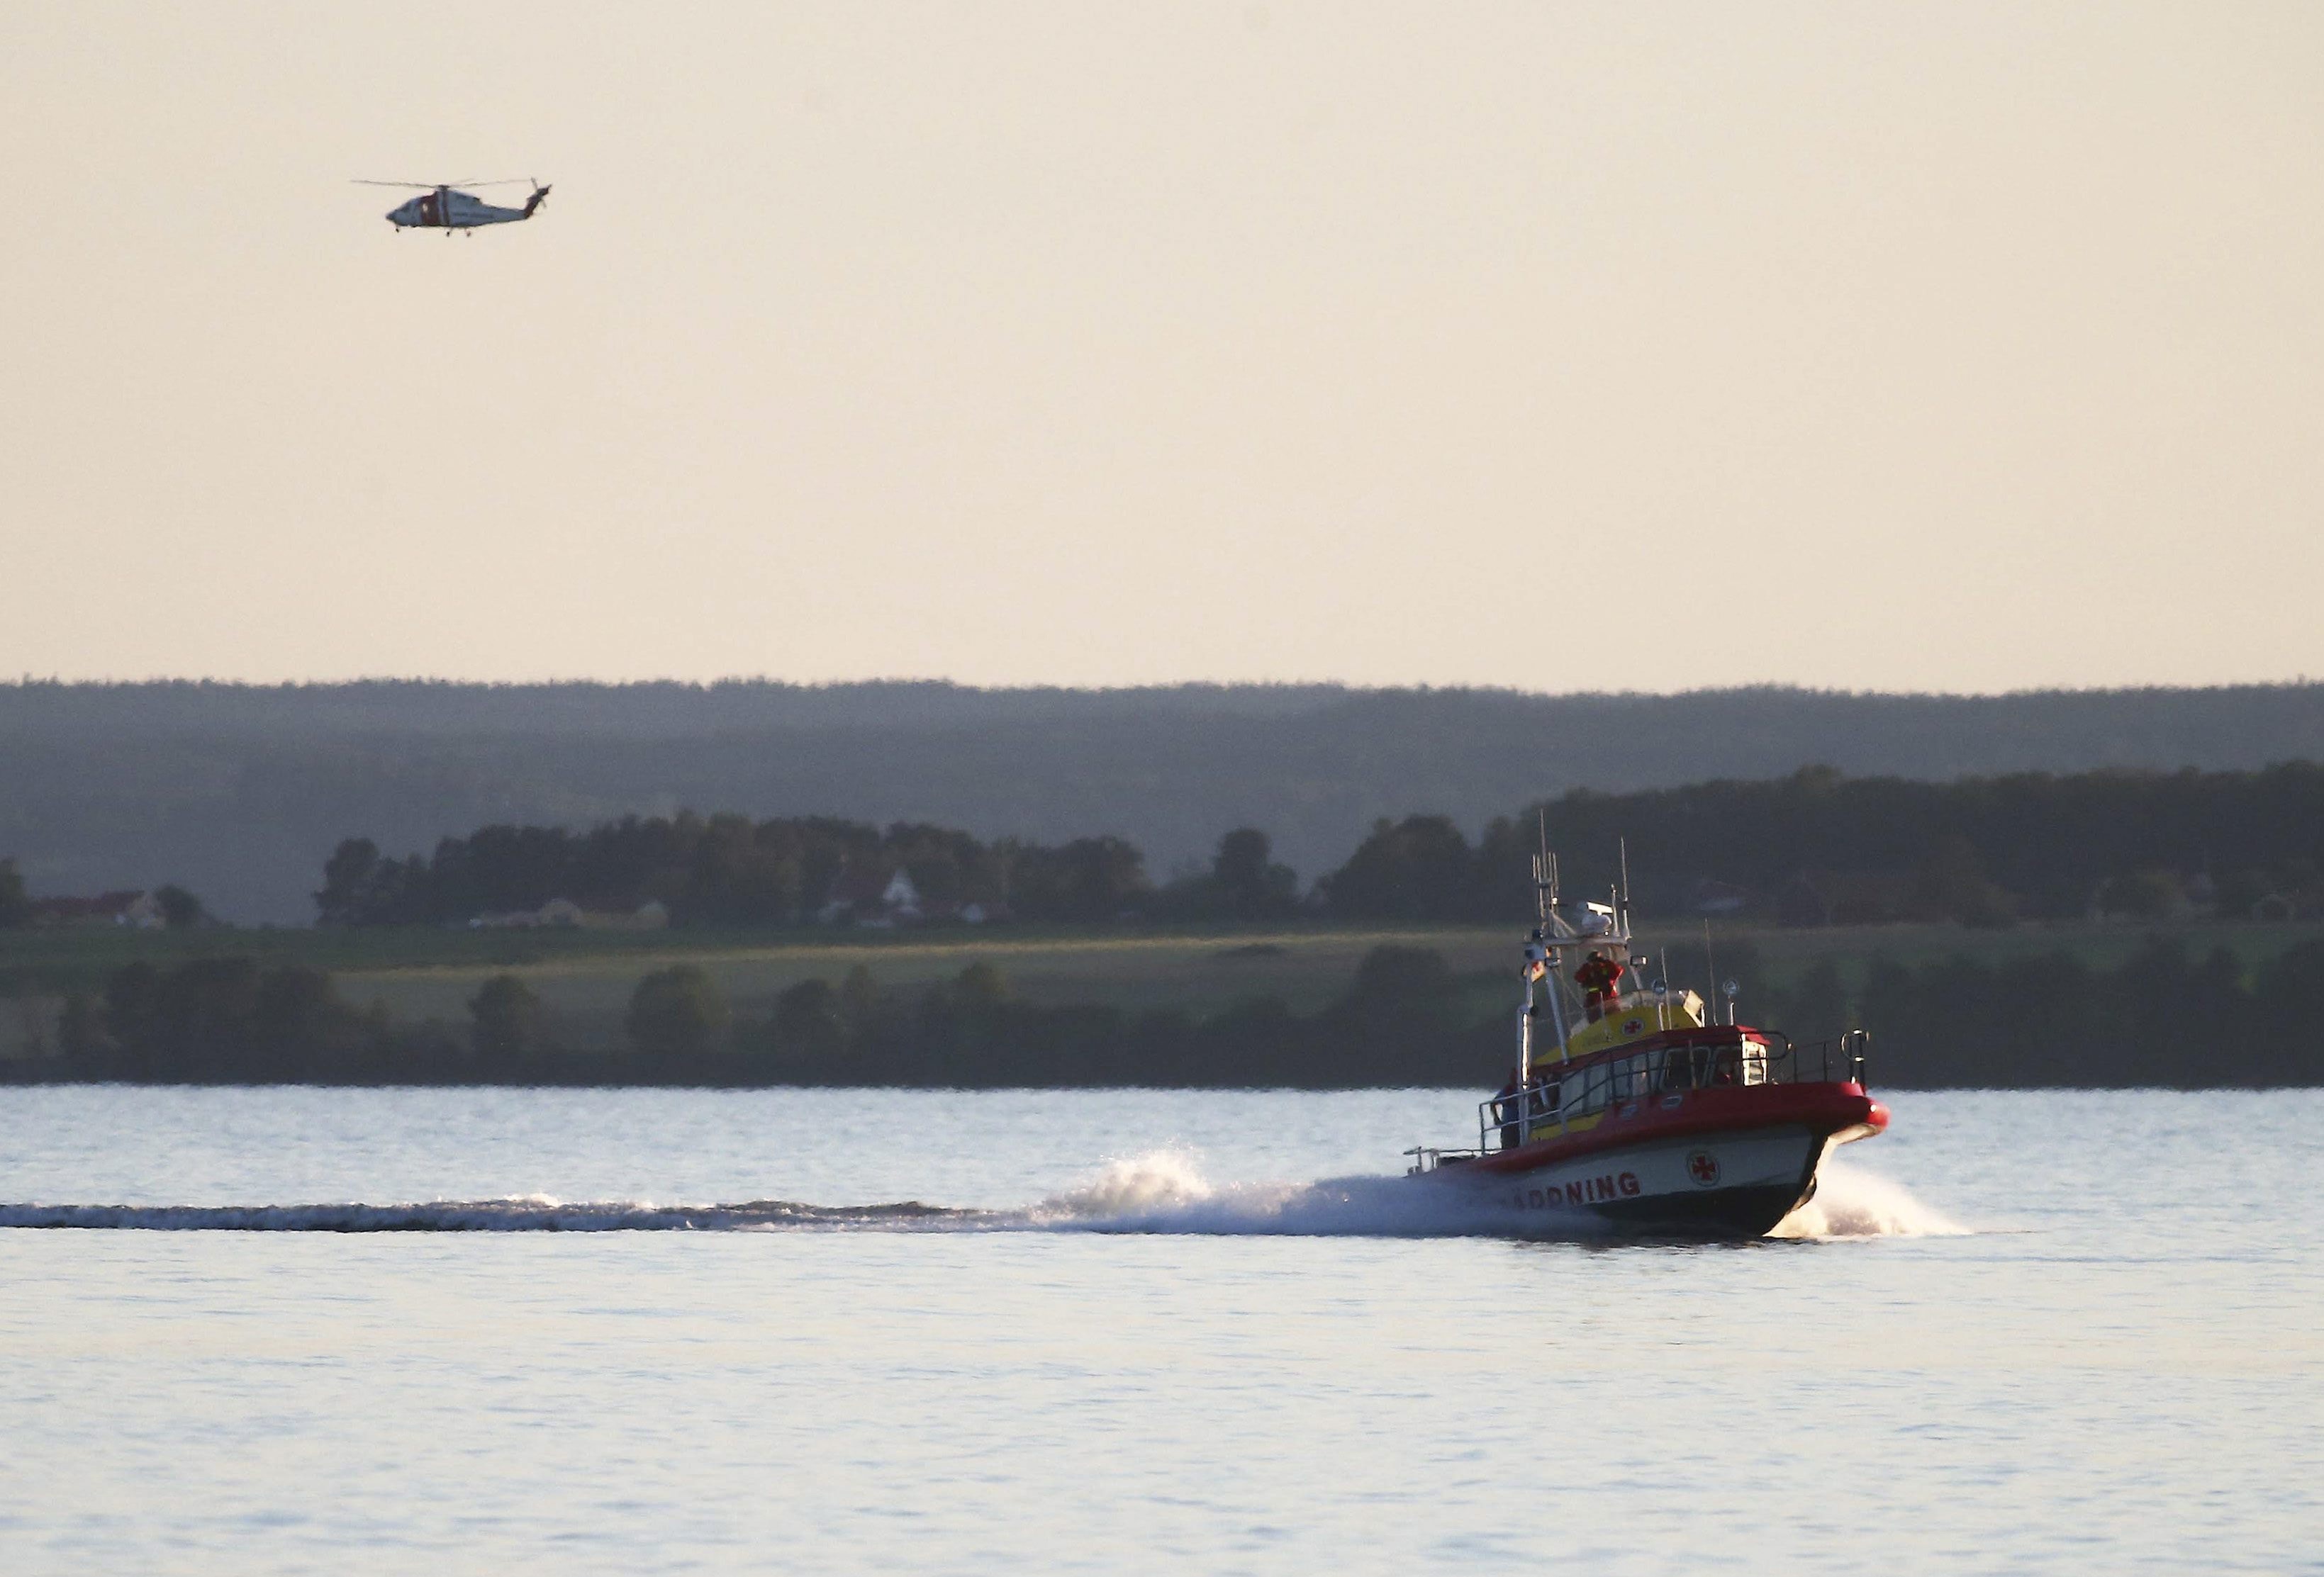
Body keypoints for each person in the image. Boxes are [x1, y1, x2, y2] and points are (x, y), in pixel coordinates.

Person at [1575, 950, 1625, 1020]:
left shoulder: (1607, 970)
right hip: (1594, 1001)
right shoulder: (1588, 971)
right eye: (1594, 961)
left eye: (1597, 960)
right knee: (1595, 1020)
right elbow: (1578, 977)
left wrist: (1606, 962)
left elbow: (1618, 971)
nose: (1596, 963)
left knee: (1616, 1018)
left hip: (1610, 1000)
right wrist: (1586, 966)